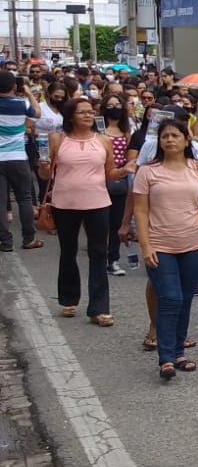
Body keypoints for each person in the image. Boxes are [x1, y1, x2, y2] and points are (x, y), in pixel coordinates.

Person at [133, 120, 198, 380]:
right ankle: (165, 358)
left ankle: (179, 352)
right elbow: (140, 211)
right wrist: (145, 246)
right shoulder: (147, 172)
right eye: (165, 136)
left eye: (175, 135)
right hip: (160, 244)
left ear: (186, 140)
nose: (169, 140)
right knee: (170, 298)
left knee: (185, 297)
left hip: (194, 244)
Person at [42, 98, 115, 325]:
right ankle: (68, 299)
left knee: (99, 253)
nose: (88, 116)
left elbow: (110, 173)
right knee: (68, 251)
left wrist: (127, 170)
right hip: (64, 203)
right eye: (82, 112)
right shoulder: (57, 139)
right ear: (70, 116)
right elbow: (46, 175)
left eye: (91, 112)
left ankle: (99, 308)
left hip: (98, 202)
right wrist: (43, 168)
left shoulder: (103, 141)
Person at [0, 70, 42, 251]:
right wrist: (29, 92)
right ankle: (28, 239)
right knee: (25, 199)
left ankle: (5, 241)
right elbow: (37, 113)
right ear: (14, 86)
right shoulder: (22, 104)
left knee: (0, 202)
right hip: (17, 157)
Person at [100, 92, 134, 275]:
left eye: (118, 105)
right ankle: (99, 256)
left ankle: (113, 259)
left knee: (115, 222)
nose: (115, 109)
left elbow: (130, 156)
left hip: (120, 178)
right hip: (98, 178)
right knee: (100, 221)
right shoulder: (98, 129)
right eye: (110, 106)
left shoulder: (126, 132)